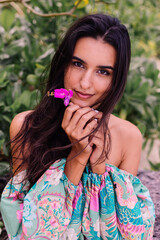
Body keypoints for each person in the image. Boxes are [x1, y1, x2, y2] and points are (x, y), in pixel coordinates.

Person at [1, 13, 155, 239]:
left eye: (103, 72)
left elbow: (126, 233)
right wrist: (77, 155)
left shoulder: (127, 136)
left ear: (116, 79)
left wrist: (99, 167)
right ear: (63, 64)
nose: (85, 82)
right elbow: (26, 232)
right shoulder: (27, 126)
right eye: (78, 64)